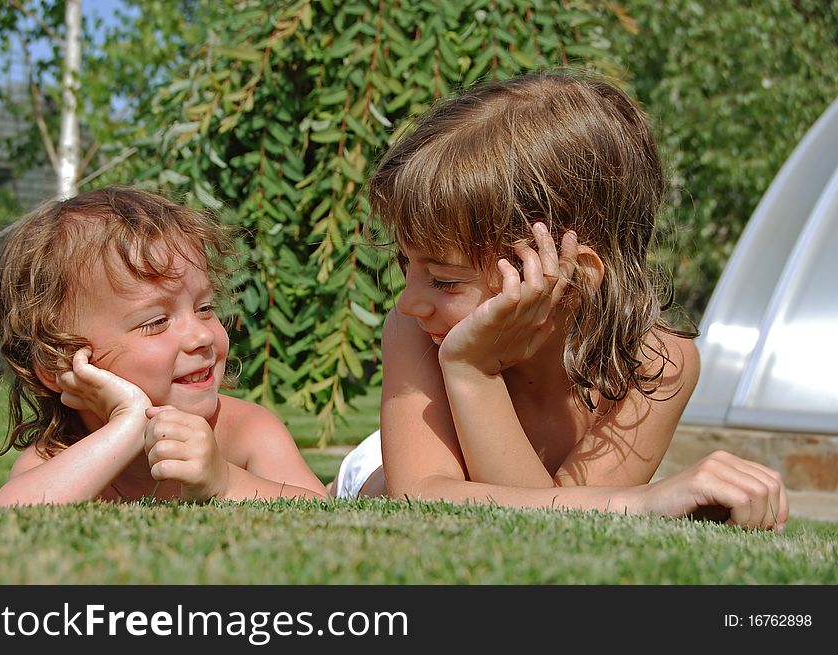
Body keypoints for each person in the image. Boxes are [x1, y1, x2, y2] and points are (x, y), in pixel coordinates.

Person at [331, 71, 788, 531]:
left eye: (445, 280)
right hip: (384, 467)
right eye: (404, 265)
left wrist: (475, 374)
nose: (408, 303)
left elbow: (552, 523)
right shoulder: (415, 333)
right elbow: (424, 496)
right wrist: (472, 370)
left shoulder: (656, 365)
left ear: (569, 280)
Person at [0, 186, 327, 506]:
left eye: (205, 308)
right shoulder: (58, 457)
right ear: (59, 363)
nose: (203, 336)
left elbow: (320, 510)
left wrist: (223, 482)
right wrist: (128, 423)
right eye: (156, 322)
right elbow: (10, 514)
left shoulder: (245, 432)